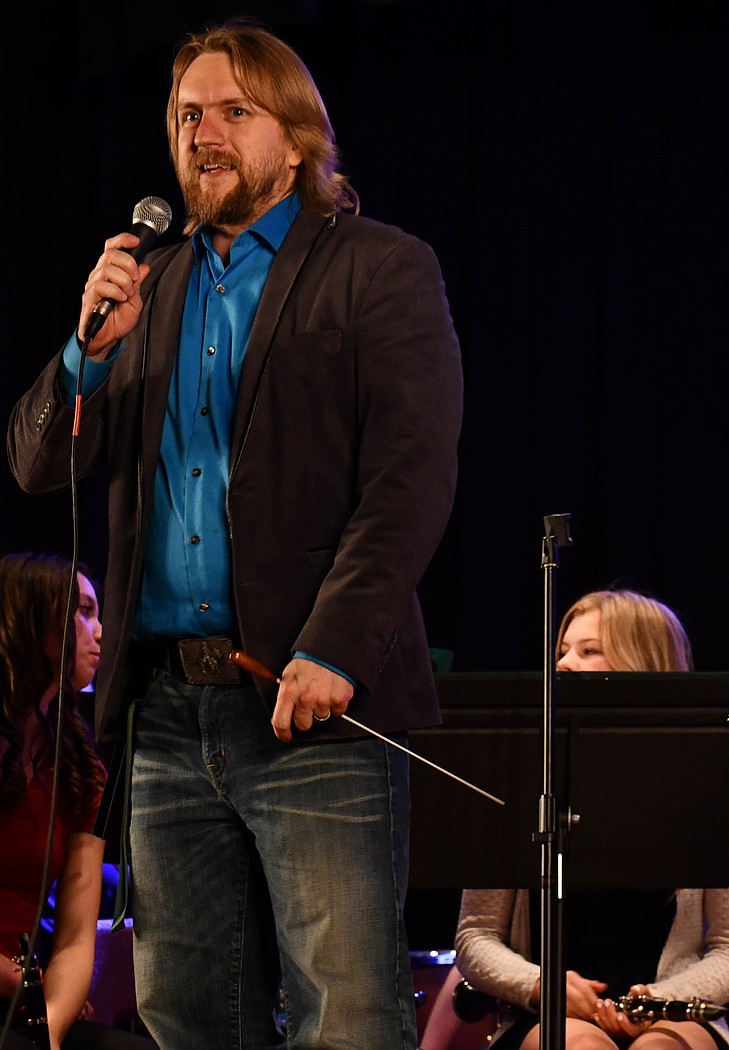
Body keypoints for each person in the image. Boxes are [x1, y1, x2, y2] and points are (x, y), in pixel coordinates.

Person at [8, 20, 462, 1050]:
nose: (204, 133)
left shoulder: (377, 270)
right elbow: (37, 463)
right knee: (186, 1016)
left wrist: (335, 646)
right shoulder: (147, 285)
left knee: (345, 1014)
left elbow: (411, 478)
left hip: (309, 709)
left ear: (295, 139)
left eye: (232, 112)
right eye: (186, 116)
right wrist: (85, 354)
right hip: (169, 712)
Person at [444, 590, 729, 1050]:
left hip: (668, 1010)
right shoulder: (521, 778)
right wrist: (541, 985)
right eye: (562, 652)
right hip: (548, 1015)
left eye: (588, 651)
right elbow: (475, 937)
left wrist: (657, 1001)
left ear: (644, 664)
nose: (565, 664)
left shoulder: (711, 783)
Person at [0, 553, 155, 1050]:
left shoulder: (79, 774)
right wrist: (28, 991)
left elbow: (74, 939)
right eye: (84, 611)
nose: (100, 632)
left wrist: (50, 1022)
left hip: (20, 1000)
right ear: (32, 621)